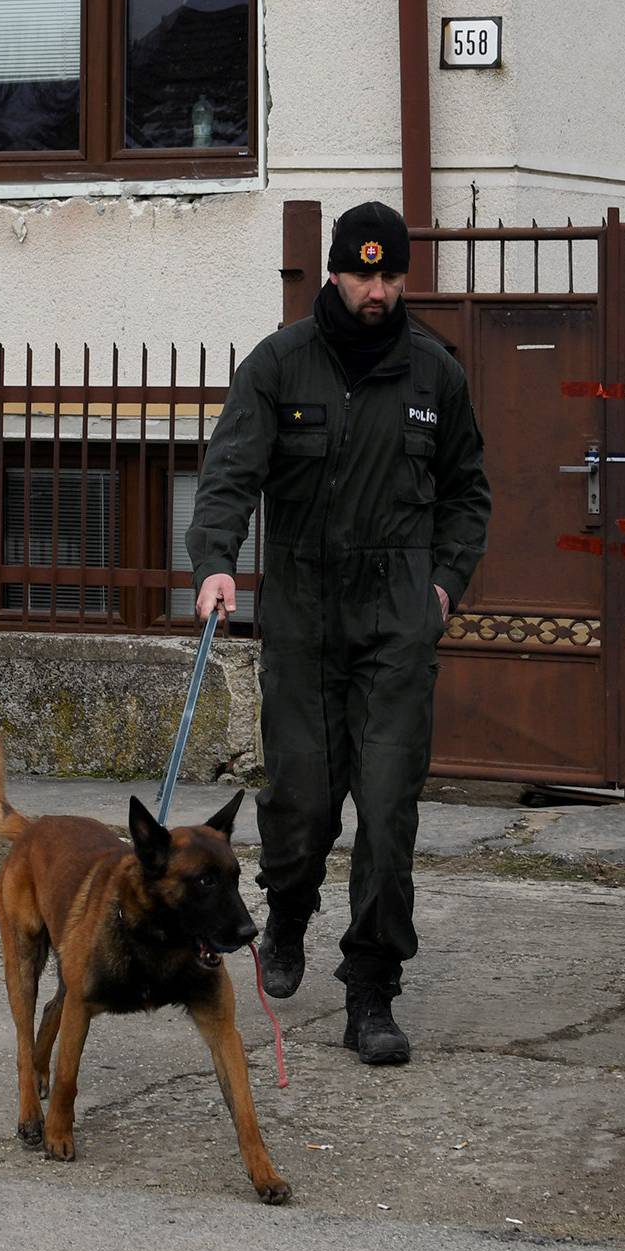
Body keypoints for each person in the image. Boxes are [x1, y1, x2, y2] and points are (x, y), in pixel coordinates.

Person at [186, 201, 491, 1066]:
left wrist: (442, 586)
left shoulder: (435, 375)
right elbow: (230, 474)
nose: (378, 291)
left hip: (397, 618)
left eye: (392, 275)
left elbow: (470, 493)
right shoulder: (279, 366)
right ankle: (287, 912)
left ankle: (371, 993)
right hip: (303, 617)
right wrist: (215, 560)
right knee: (302, 802)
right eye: (363, 274)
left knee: (388, 810)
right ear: (332, 272)